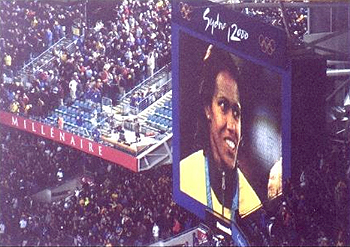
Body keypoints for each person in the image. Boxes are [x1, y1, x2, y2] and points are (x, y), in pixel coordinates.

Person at [180, 45, 263, 221]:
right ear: (208, 109)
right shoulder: (184, 175)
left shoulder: (252, 203)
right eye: (223, 106)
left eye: (236, 113)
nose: (232, 126)